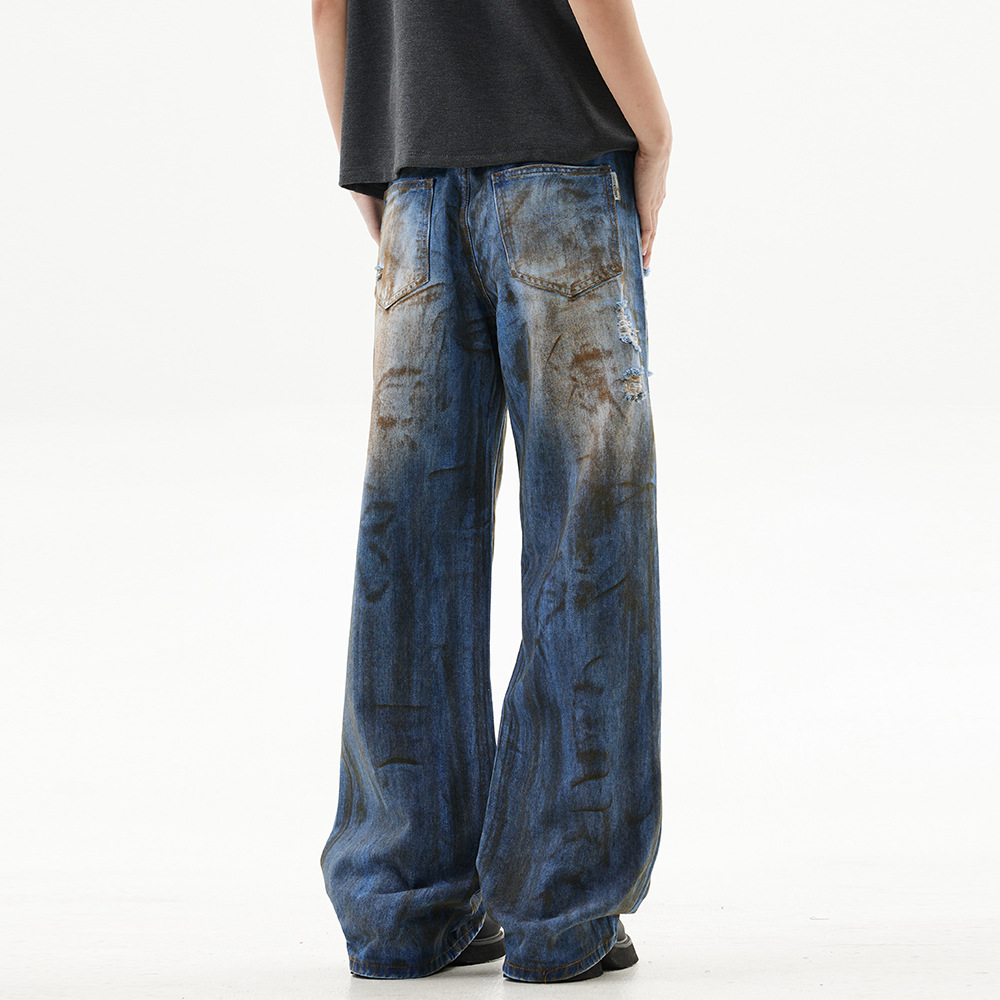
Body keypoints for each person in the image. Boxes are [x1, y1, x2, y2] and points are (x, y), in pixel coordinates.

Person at [311, 0, 672, 984]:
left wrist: (370, 157)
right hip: (562, 168)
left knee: (409, 544)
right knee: (587, 537)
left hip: (416, 181)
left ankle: (402, 907)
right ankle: (562, 910)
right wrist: (655, 134)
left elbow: (329, 8)